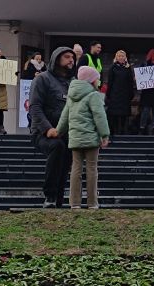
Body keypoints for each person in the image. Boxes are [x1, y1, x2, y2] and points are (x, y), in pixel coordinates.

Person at [55, 65, 109, 210]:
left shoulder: (71, 95)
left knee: (76, 169)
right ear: (91, 81)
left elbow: (64, 116)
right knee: (91, 169)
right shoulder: (93, 95)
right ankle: (92, 203)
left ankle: (74, 203)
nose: (98, 82)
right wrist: (104, 134)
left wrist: (58, 131)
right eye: (97, 79)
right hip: (91, 139)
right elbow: (99, 116)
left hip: (75, 139)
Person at [29, 46, 75, 208]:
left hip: (67, 134)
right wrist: (47, 129)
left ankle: (59, 201)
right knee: (57, 147)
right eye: (67, 57)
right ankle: (49, 196)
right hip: (43, 133)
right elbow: (35, 107)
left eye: (72, 57)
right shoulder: (42, 79)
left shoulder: (73, 82)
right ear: (57, 59)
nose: (71, 60)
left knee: (65, 164)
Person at [104, 50, 134, 136]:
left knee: (124, 116)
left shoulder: (128, 68)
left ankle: (123, 132)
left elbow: (130, 82)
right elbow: (110, 82)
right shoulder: (112, 68)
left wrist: (131, 94)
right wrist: (108, 94)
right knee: (114, 115)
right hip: (115, 94)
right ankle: (114, 132)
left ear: (125, 58)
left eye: (123, 56)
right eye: (119, 56)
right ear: (116, 57)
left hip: (125, 95)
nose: (121, 58)